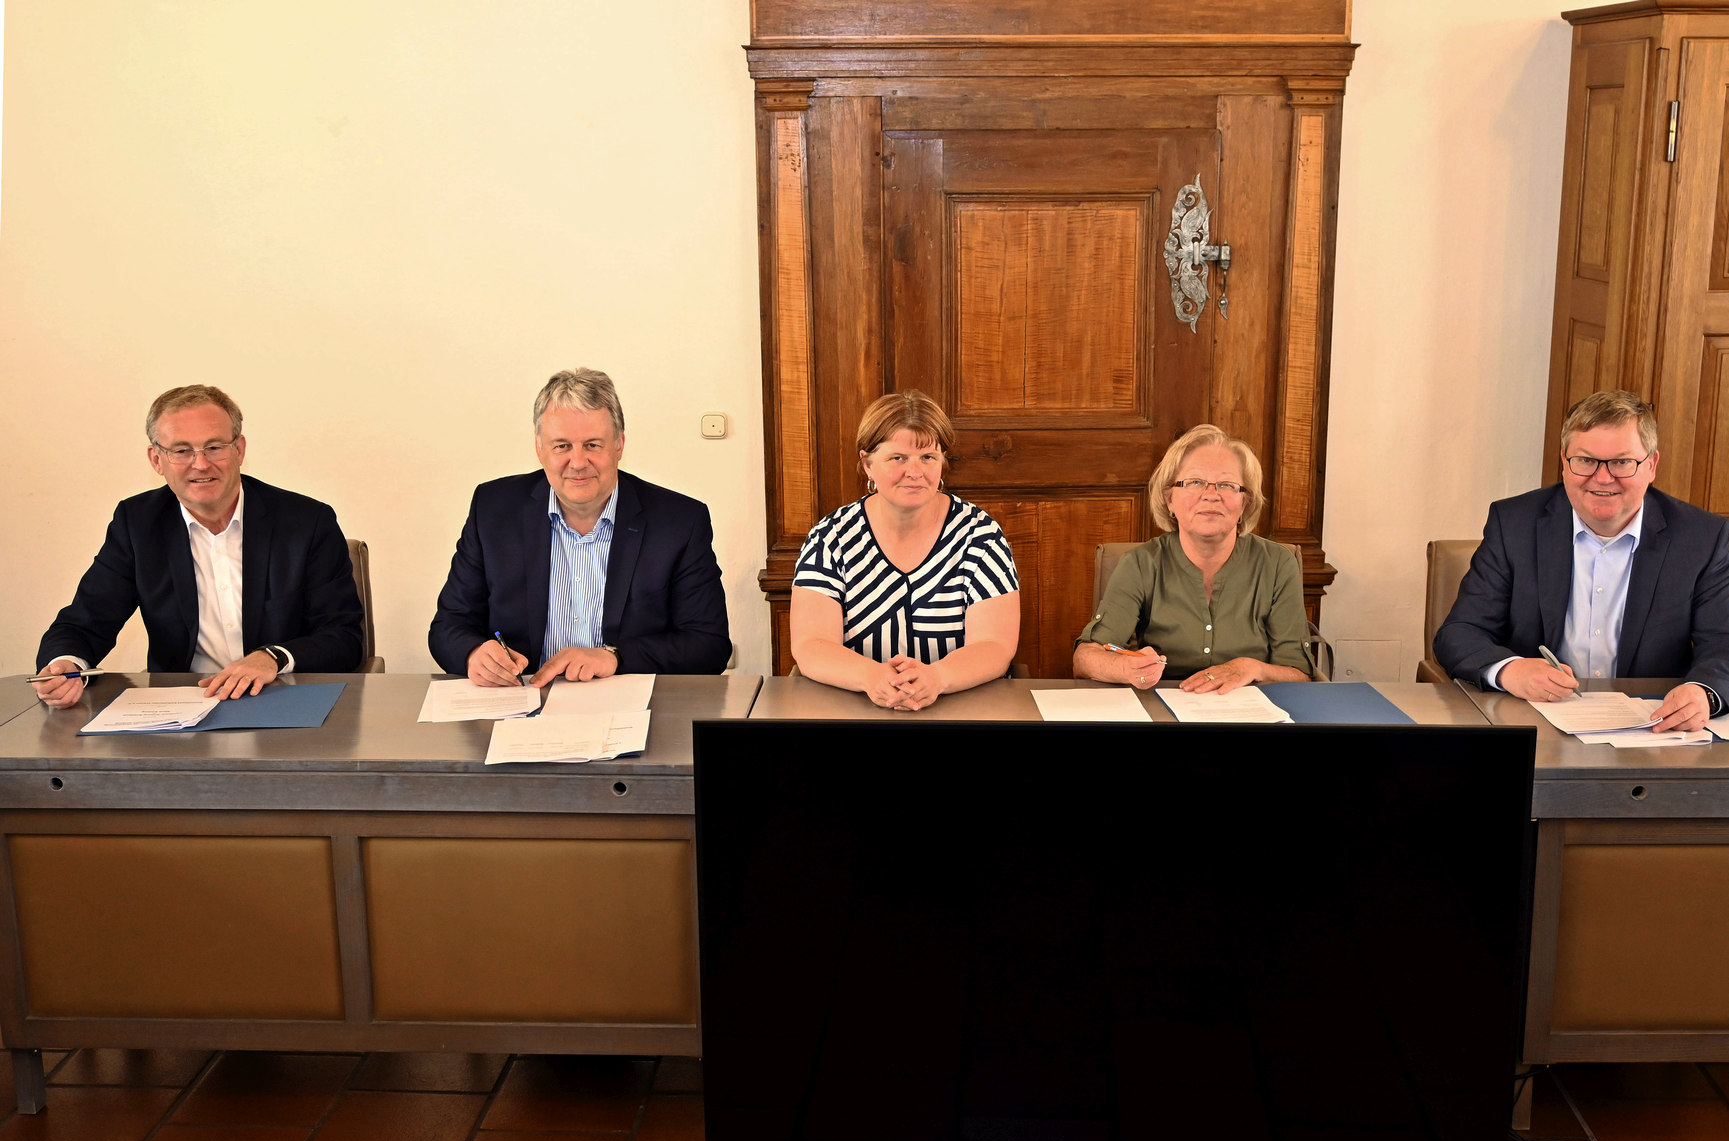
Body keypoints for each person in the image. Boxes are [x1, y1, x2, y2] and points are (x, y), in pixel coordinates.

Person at [1434, 389, 1729, 730]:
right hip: (1532, 723)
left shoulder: (1699, 537)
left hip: (1652, 729)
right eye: (1586, 460)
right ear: (1564, 462)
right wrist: (1510, 669)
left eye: (1621, 462)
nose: (1603, 478)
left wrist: (1701, 692)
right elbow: (1460, 632)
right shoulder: (1514, 523)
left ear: (1651, 465)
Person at [34, 384, 366, 707]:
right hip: (183, 710)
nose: (201, 464)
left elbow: (343, 636)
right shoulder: (138, 524)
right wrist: (66, 664)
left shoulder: (307, 522)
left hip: (284, 699)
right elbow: (84, 622)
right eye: (181, 450)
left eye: (215, 447)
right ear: (156, 460)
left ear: (239, 450)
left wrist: (272, 658)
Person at [430, 368, 730, 685]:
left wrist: (616, 657)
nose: (577, 462)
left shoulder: (679, 521)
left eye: (592, 445)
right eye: (561, 446)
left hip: (628, 709)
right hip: (521, 707)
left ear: (619, 445)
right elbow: (449, 626)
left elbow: (708, 646)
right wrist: (473, 652)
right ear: (539, 448)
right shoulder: (492, 510)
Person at [791, 390, 1019, 710]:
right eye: (898, 458)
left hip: (963, 713)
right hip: (851, 714)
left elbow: (995, 645)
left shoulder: (980, 535)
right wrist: (871, 677)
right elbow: (810, 644)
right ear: (867, 463)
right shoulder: (831, 537)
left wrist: (938, 677)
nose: (915, 472)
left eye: (928, 457)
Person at [1074, 423, 1314, 692]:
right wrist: (1126, 668)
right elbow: (1085, 659)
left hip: (1251, 718)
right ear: (1170, 500)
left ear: (1245, 502)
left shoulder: (1278, 563)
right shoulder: (1141, 563)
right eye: (1195, 482)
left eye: (1227, 484)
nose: (1211, 495)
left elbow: (1299, 674)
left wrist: (1251, 668)